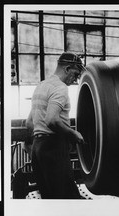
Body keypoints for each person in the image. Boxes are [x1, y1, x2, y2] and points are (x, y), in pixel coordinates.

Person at [26, 52, 85, 199]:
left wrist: (40, 141)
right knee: (67, 197)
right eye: (76, 74)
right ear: (67, 69)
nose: (76, 79)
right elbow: (52, 120)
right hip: (53, 148)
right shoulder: (60, 88)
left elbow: (29, 123)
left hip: (38, 149)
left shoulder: (41, 86)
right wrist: (73, 134)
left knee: (49, 198)